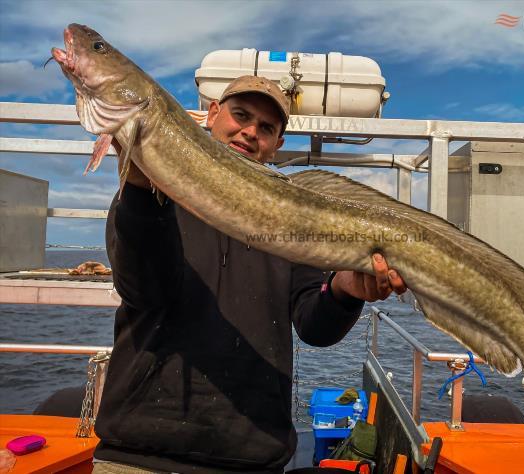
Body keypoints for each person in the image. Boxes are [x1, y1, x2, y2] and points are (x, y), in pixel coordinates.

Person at [93, 76, 407, 474]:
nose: (250, 132)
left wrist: (345, 290)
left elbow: (314, 326)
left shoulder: (295, 221)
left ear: (277, 144)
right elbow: (144, 289)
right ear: (211, 115)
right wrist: (139, 188)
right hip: (137, 454)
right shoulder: (147, 193)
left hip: (251, 456)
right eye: (240, 115)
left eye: (267, 128)